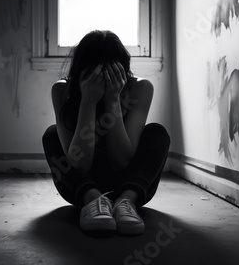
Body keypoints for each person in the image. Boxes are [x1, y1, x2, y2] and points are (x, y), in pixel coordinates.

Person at [42, 30, 170, 235]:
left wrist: (113, 100)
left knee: (157, 133)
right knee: (51, 135)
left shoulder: (140, 88)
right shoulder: (62, 90)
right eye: (94, 73)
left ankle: (125, 203)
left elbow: (121, 160)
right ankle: (93, 201)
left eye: (109, 73)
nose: (101, 79)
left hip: (130, 184)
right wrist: (87, 101)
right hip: (81, 187)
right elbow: (79, 162)